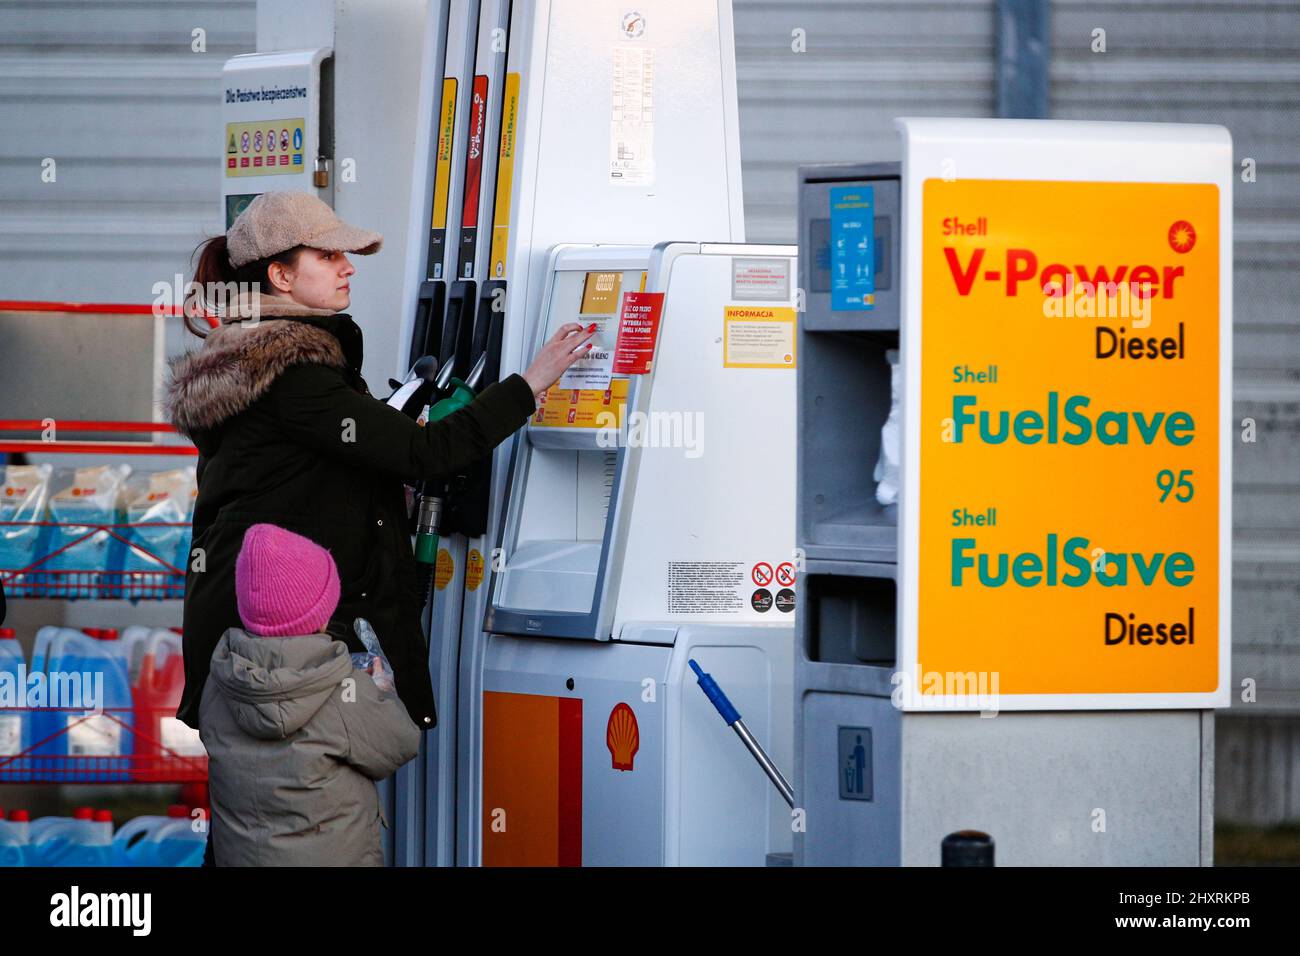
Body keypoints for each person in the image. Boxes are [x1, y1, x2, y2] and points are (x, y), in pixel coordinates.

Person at [165, 190, 592, 741]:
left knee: (266, 810)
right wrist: (530, 383)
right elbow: (425, 453)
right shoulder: (292, 371)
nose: (348, 269)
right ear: (281, 276)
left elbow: (313, 472)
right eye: (328, 257)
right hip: (278, 647)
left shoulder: (256, 359)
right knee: (303, 809)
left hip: (250, 636)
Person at [200, 522, 419, 866]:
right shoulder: (344, 691)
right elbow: (402, 743)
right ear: (320, 614)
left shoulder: (220, 682)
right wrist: (381, 692)